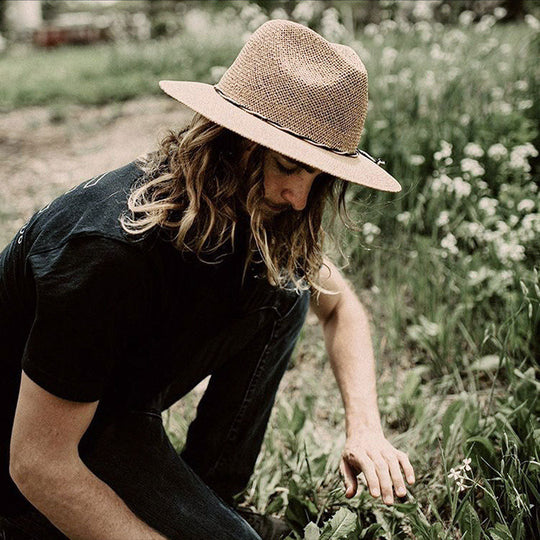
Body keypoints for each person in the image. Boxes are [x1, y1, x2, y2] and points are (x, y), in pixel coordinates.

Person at [0, 19, 415, 540]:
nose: (300, 199)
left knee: (285, 290)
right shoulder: (108, 253)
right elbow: (36, 463)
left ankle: (213, 496)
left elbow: (340, 308)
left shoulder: (242, 210)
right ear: (232, 142)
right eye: (289, 166)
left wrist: (366, 429)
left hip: (114, 404)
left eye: (319, 177)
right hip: (32, 453)